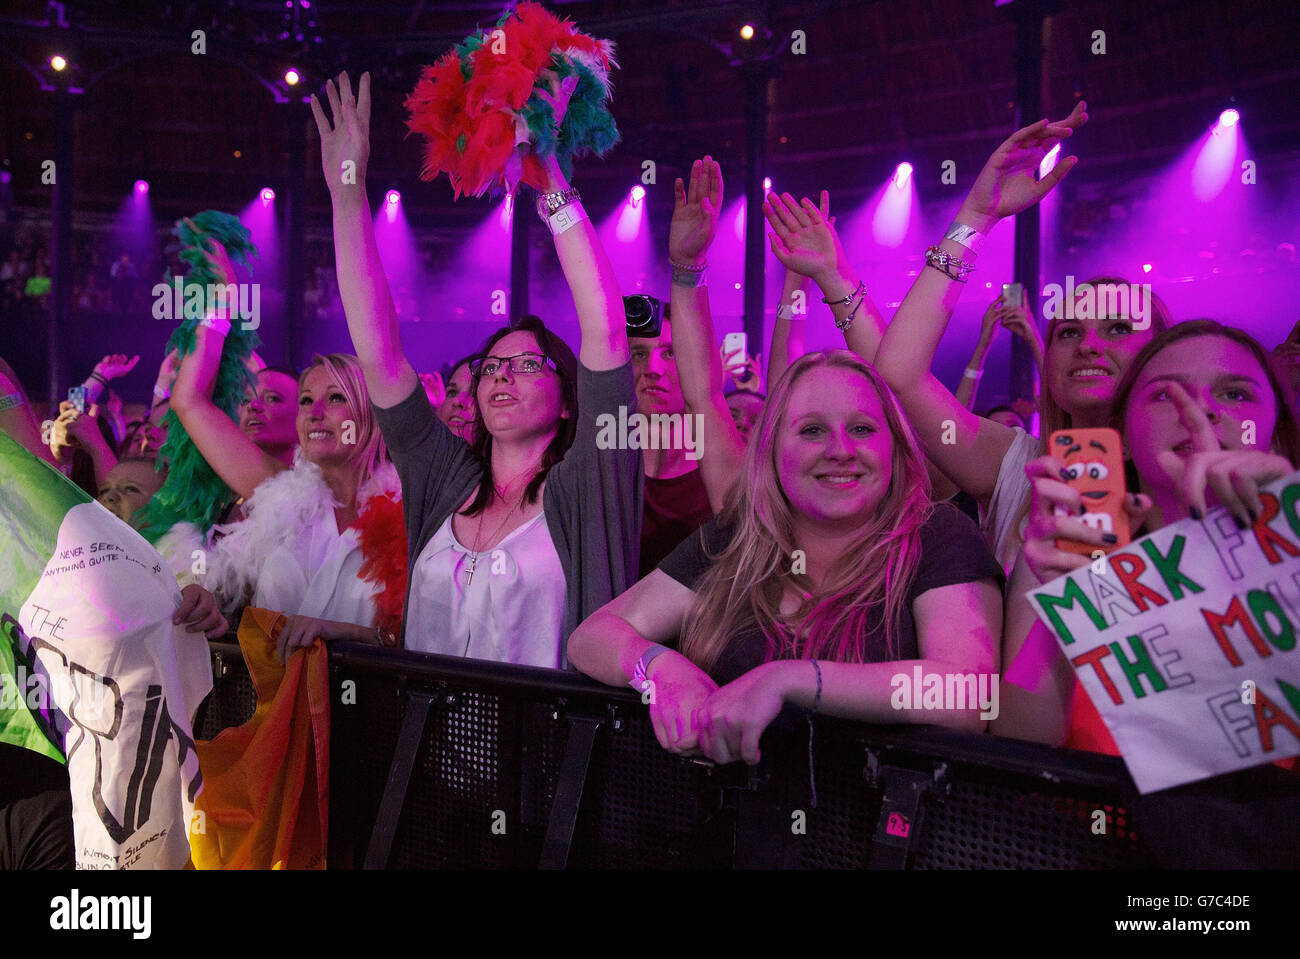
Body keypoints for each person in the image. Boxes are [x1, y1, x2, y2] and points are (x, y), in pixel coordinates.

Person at [312, 70, 640, 668]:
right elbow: (380, 354)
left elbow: (608, 329)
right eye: (490, 367)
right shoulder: (442, 478)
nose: (500, 377)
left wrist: (550, 181)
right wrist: (347, 190)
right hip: (428, 757)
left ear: (569, 399)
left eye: (526, 365)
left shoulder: (590, 483)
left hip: (550, 760)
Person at [568, 351, 1004, 764]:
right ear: (773, 451)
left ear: (895, 446)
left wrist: (792, 679)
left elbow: (966, 695)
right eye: (812, 430)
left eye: (862, 429)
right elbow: (591, 638)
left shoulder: (936, 535)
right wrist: (658, 668)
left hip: (875, 834)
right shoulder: (737, 539)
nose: (840, 450)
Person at [873, 102, 1174, 570]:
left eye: (1117, 327)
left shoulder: (1198, 472)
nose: (1088, 345)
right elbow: (899, 371)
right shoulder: (1016, 466)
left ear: (1162, 352)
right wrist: (977, 215)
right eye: (1068, 332)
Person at [1001, 320, 1300, 749]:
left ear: (1275, 439)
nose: (1201, 409)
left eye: (1235, 393)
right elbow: (1018, 738)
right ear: (1120, 437)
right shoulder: (1068, 550)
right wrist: (1069, 607)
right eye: (1164, 394)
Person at [166, 236, 403, 657]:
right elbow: (189, 401)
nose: (314, 413)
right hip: (272, 710)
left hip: (375, 713)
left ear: (373, 414)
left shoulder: (416, 503)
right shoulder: (280, 490)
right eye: (307, 401)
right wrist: (223, 300)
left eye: (336, 399)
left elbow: (433, 633)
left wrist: (346, 636)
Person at [632, 156, 747, 577]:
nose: (652, 369)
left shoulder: (719, 472)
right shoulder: (605, 463)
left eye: (670, 353)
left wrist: (687, 266)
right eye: (639, 355)